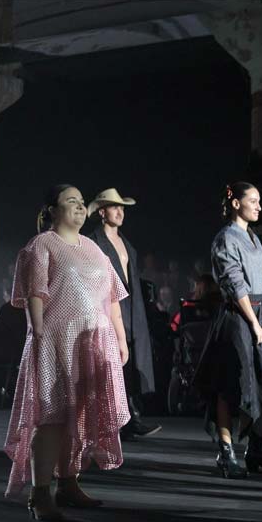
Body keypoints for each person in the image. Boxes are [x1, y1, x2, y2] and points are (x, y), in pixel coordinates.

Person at [4, 184, 130, 521]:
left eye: (81, 202)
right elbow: (35, 292)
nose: (79, 207)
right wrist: (38, 332)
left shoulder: (93, 247)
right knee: (52, 415)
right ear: (52, 211)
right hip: (56, 340)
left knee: (81, 414)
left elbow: (112, 297)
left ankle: (68, 483)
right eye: (70, 201)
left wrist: (120, 339)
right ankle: (40, 493)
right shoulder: (42, 244)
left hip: (92, 342)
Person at [194, 182, 262, 479]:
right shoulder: (226, 238)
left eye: (259, 201)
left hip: (254, 315)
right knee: (230, 385)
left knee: (260, 383)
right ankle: (226, 452)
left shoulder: (253, 238)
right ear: (236, 204)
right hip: (235, 319)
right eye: (253, 201)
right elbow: (234, 284)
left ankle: (257, 449)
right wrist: (254, 322)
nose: (259, 206)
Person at [88, 188, 161, 440]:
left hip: (132, 307)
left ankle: (129, 417)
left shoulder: (127, 244)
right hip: (107, 306)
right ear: (102, 212)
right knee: (112, 363)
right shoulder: (93, 242)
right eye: (114, 207)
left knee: (131, 361)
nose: (120, 212)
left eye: (122, 208)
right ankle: (119, 419)